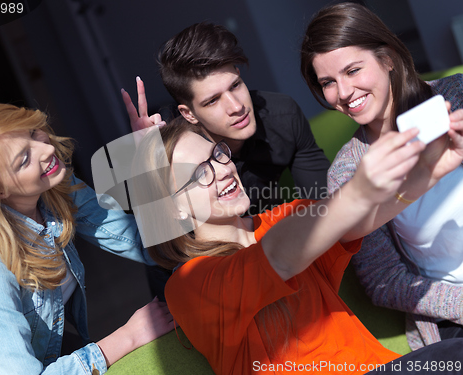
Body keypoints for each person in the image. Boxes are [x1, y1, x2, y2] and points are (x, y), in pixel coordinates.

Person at [125, 109, 463, 374]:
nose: (222, 169)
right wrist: (358, 189)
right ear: (175, 209)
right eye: (199, 173)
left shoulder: (282, 218)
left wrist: (430, 171)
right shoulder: (188, 284)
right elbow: (278, 258)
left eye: (217, 154)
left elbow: (355, 222)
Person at [122, 22, 331, 299]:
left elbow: (323, 202)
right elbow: (155, 237)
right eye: (212, 101)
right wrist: (145, 166)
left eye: (236, 85)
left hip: (267, 247)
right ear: (189, 114)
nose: (236, 107)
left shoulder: (282, 116)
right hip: (199, 275)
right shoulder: (175, 148)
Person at [0, 102, 174, 375]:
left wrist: (152, 163)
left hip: (55, 355)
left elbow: (146, 243)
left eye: (33, 133)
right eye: (24, 159)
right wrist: (128, 337)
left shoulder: (54, 188)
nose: (47, 149)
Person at [300, 2, 463, 350]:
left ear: (387, 58)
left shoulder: (457, 96)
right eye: (328, 82)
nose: (343, 93)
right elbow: (384, 281)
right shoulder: (348, 172)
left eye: (353, 70)